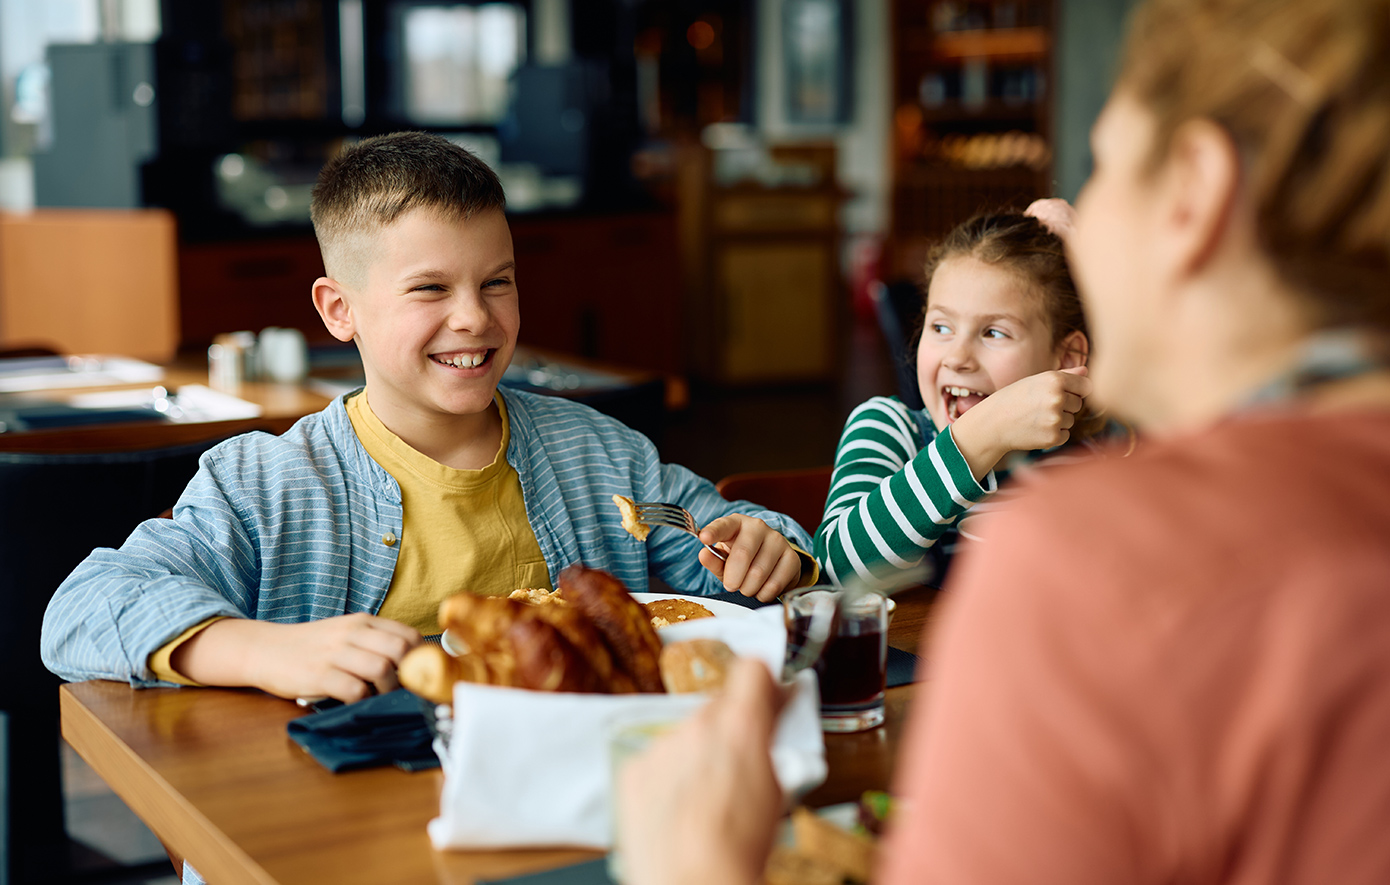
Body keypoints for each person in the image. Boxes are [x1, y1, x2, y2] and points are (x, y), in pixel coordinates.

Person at [618, 0, 1390, 881]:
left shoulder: (1090, 544)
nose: (1071, 218)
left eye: (1102, 170)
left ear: (1195, 191)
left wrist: (700, 868)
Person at [41, 132, 816, 704]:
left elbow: (727, 543)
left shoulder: (604, 455)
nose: (474, 318)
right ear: (338, 309)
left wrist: (765, 544)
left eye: (498, 282)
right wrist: (263, 650)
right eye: (430, 289)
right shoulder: (264, 485)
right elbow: (78, 610)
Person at [815, 211, 1121, 590]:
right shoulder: (889, 427)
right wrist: (982, 435)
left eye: (993, 332)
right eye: (941, 327)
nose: (958, 357)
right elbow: (834, 568)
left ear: (1066, 358)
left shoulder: (1085, 459)